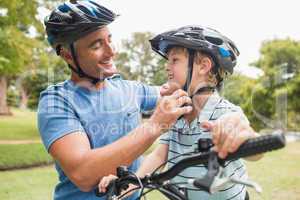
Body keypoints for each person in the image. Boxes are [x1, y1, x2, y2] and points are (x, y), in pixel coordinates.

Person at [37, 1, 193, 200]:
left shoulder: (128, 89)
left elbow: (177, 91)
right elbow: (83, 173)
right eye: (97, 45)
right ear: (68, 55)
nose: (111, 51)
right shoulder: (56, 102)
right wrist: (154, 125)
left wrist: (231, 117)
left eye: (109, 39)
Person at [99, 25, 262, 199]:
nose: (166, 67)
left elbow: (253, 149)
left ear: (203, 66)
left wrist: (242, 135)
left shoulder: (226, 113)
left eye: (174, 60)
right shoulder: (177, 114)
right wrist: (127, 185)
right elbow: (159, 154)